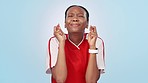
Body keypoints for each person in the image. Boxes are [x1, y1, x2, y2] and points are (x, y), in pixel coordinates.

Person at [46, 5, 105, 83]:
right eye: (70, 16)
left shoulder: (96, 41)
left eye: (80, 16)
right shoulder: (55, 41)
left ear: (87, 23)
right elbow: (60, 79)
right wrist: (62, 43)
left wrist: (92, 47)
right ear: (65, 23)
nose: (75, 19)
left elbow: (91, 81)